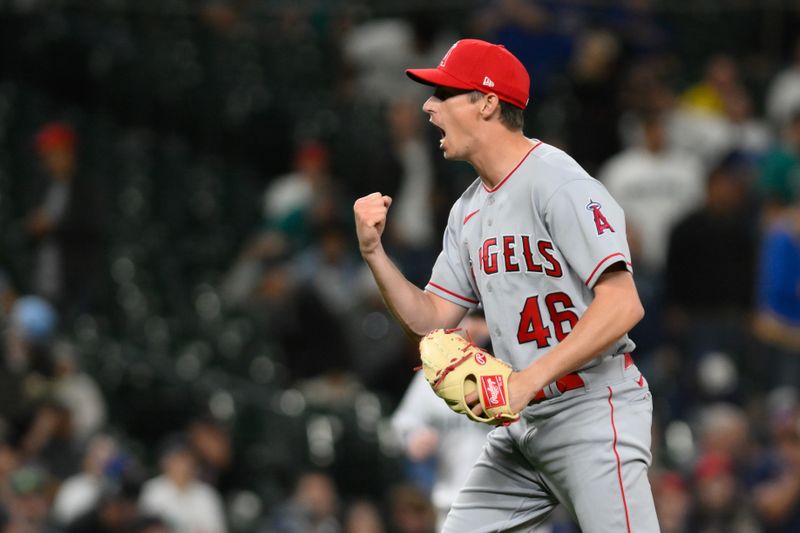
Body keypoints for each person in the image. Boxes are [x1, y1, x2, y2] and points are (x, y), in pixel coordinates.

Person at [353, 38, 658, 531]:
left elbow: (623, 305)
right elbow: (430, 321)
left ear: (488, 102)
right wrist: (374, 254)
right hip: (524, 426)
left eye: (443, 93)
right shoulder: (467, 210)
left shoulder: (558, 181)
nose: (428, 106)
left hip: (594, 412)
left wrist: (524, 382)